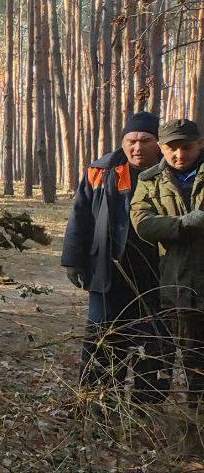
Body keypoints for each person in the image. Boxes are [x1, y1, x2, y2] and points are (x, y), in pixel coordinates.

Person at [61, 112, 170, 405]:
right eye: (131, 141)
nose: (137, 148)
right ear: (122, 142)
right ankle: (96, 401)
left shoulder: (170, 172)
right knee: (102, 337)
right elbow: (80, 215)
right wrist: (72, 259)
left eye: (146, 141)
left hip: (156, 275)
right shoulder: (102, 170)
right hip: (107, 270)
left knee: (154, 342)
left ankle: (146, 407)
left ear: (158, 143)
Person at [131, 119, 204, 412]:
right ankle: (196, 423)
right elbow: (143, 223)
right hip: (181, 287)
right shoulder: (149, 180)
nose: (179, 155)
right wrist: (185, 224)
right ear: (162, 148)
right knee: (193, 359)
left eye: (186, 147)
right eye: (172, 148)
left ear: (200, 144)